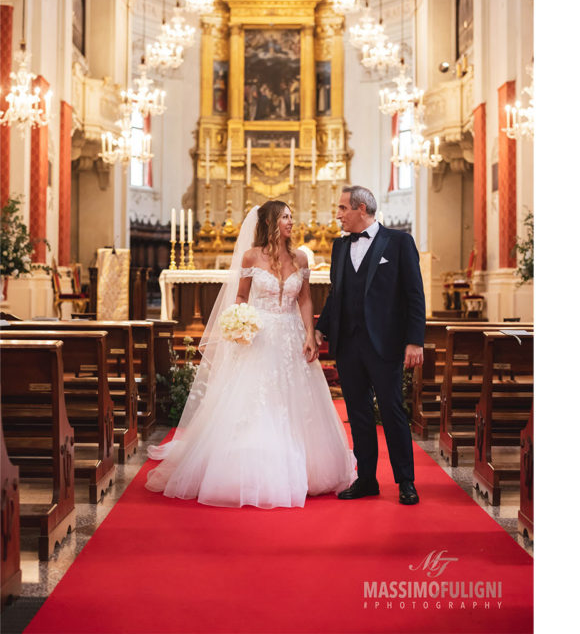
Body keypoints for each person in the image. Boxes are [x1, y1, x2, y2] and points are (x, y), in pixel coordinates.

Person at [146, 201, 354, 508]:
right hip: (260, 335)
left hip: (292, 336)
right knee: (259, 399)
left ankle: (306, 466)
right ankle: (255, 465)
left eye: (291, 217)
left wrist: (310, 333)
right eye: (285, 217)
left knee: (297, 399)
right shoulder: (251, 256)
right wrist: (240, 322)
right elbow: (241, 295)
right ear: (271, 222)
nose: (291, 222)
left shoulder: (300, 257)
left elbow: (306, 300)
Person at [315, 186, 425, 505]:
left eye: (342, 208)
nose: (338, 215)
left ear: (362, 209)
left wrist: (414, 340)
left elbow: (415, 296)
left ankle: (406, 480)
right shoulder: (339, 247)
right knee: (359, 413)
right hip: (348, 345)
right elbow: (337, 294)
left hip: (386, 344)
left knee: (391, 412)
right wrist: (321, 331)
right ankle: (366, 479)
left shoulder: (399, 242)